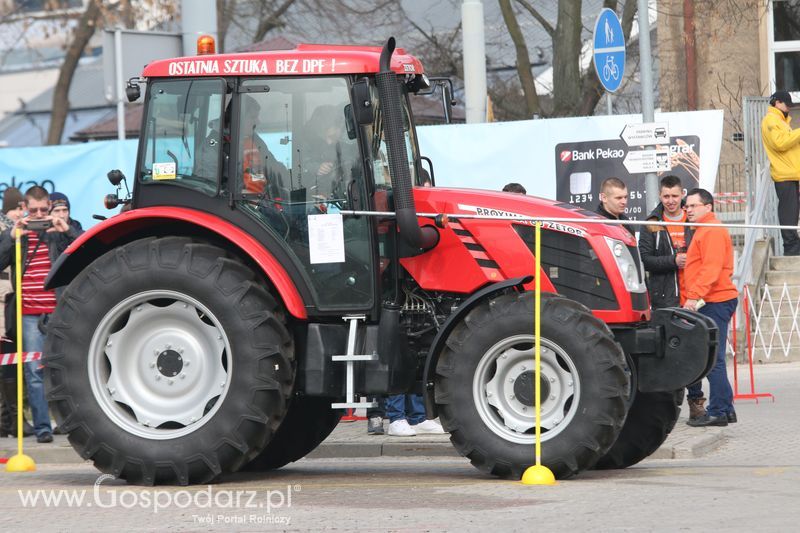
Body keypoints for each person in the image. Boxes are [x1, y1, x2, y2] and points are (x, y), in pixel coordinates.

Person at [0, 186, 83, 443]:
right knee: (34, 373)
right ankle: (43, 428)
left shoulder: (61, 231)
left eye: (42, 210)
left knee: (64, 370)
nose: (38, 215)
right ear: (24, 208)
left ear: (49, 207)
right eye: (33, 210)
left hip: (57, 311)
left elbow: (88, 252)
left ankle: (69, 425)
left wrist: (66, 230)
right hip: (28, 312)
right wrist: (11, 237)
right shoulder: (18, 233)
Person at [638, 176, 707, 420]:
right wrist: (673, 261)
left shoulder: (693, 220)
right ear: (660, 196)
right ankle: (668, 404)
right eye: (666, 196)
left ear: (682, 195)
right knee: (668, 353)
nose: (670, 201)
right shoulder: (652, 222)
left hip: (693, 296)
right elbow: (644, 259)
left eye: (675, 196)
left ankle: (696, 402)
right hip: (664, 297)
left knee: (693, 352)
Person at [682, 188, 738, 427]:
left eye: (693, 206)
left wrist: (693, 297)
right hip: (714, 300)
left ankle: (717, 411)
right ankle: (725, 409)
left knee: (713, 360)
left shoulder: (711, 231)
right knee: (714, 359)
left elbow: (711, 269)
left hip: (715, 300)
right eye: (687, 207)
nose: (689, 210)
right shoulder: (704, 230)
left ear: (708, 207)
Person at [0, 187, 34, 438]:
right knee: (7, 361)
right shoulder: (6, 229)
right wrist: (10, 237)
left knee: (12, 361)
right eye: (19, 208)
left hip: (14, 300)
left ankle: (8, 420)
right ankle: (15, 420)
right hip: (2, 301)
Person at [761, 90, 800, 256]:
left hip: (791, 173)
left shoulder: (781, 122)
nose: (789, 108)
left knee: (792, 212)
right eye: (787, 104)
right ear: (777, 103)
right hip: (785, 174)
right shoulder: (771, 121)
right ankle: (791, 248)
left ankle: (793, 245)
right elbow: (780, 143)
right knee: (789, 213)